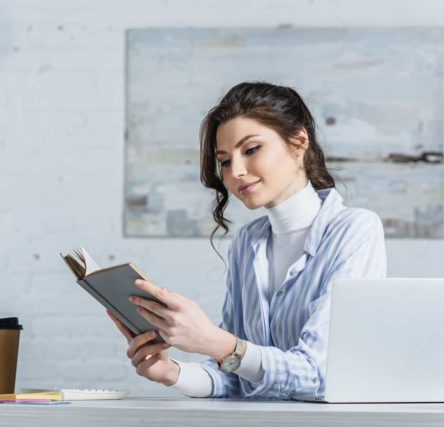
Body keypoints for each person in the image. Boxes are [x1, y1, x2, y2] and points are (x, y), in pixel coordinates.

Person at [107, 82, 387, 399]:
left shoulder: (354, 230)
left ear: (298, 142)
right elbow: (239, 375)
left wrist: (213, 340)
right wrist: (172, 372)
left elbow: (319, 375)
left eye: (251, 150)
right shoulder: (249, 243)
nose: (236, 171)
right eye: (225, 160)